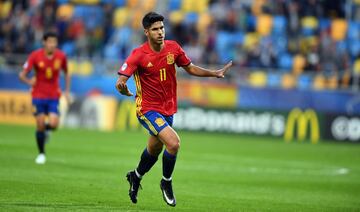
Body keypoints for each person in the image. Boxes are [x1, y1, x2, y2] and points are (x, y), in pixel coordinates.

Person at [115, 12, 232, 207]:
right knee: (173, 143)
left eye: (162, 28)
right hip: (147, 109)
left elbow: (190, 67)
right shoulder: (138, 55)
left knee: (154, 149)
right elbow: (121, 80)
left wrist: (214, 73)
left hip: (168, 109)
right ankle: (166, 182)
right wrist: (122, 87)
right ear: (146, 32)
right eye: (155, 29)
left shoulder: (173, 48)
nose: (160, 32)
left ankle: (135, 176)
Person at [19, 32, 70, 165]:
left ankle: (47, 131)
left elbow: (67, 73)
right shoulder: (35, 56)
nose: (52, 44)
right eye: (50, 42)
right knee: (40, 124)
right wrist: (30, 82)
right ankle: (41, 153)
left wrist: (66, 91)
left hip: (53, 95)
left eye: (55, 42)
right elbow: (22, 74)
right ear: (44, 42)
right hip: (38, 95)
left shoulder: (61, 56)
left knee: (53, 124)